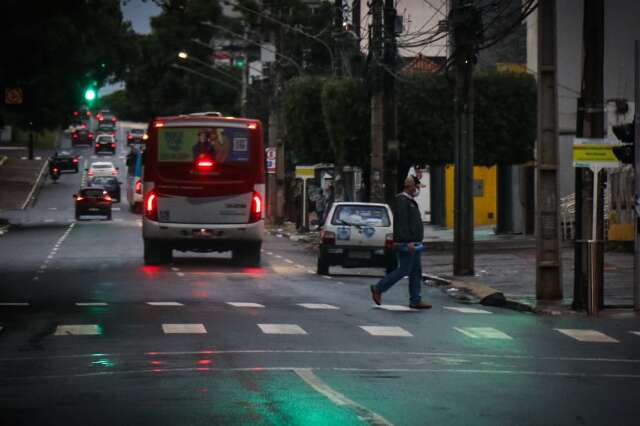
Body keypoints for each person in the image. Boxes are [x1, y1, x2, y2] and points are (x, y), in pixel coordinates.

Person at [370, 176, 432, 309]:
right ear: (409, 186)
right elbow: (402, 223)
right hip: (407, 243)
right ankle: (378, 288)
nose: (417, 190)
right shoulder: (402, 200)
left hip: (414, 243)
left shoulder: (410, 201)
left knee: (416, 271)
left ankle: (415, 300)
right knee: (404, 270)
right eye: (415, 187)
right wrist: (407, 241)